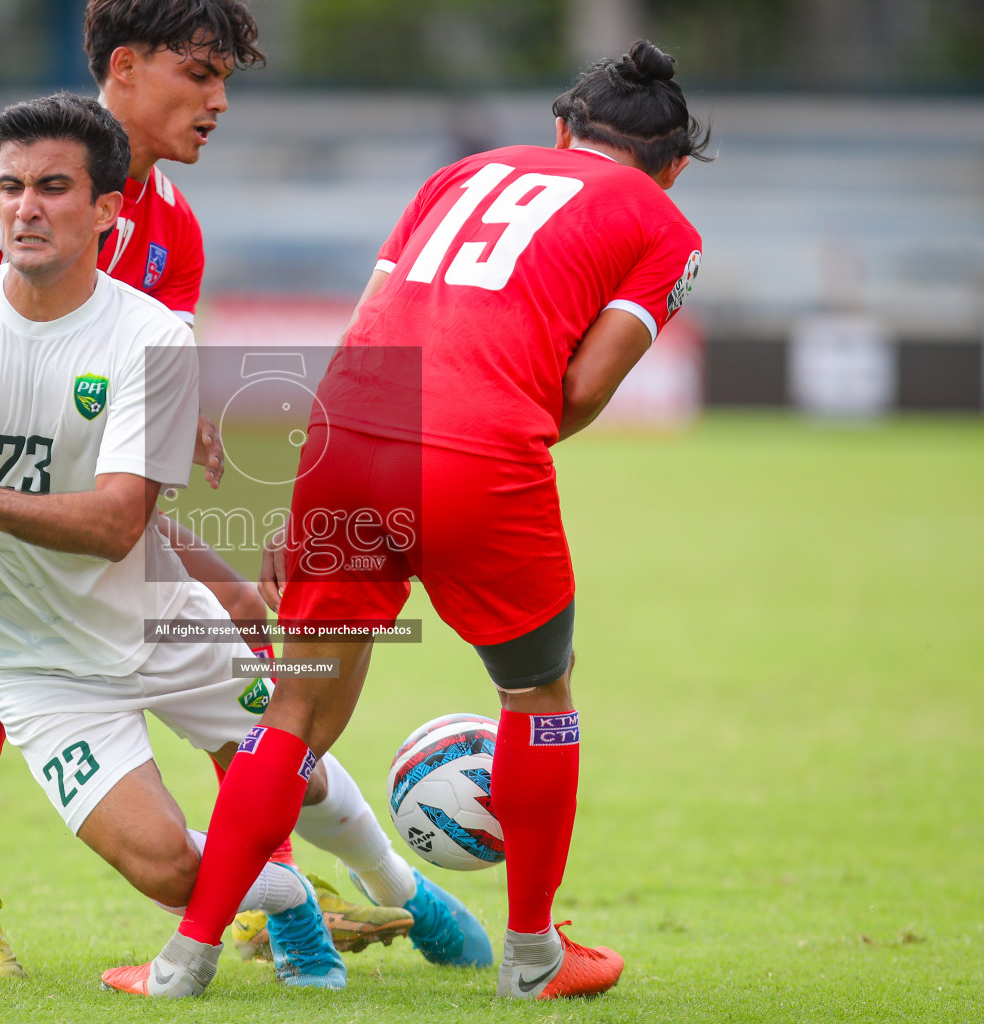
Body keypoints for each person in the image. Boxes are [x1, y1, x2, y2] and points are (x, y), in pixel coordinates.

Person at [0, 0, 426, 975]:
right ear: (126, 67)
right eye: (201, 75)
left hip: (69, 497)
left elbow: (143, 380)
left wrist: (175, 416)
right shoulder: (50, 163)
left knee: (234, 610)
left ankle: (263, 875)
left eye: (228, 81)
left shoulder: (176, 238)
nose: (220, 101)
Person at [104, 40, 710, 1000]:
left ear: (561, 129)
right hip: (479, 453)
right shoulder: (665, 223)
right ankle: (535, 958)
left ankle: (183, 963)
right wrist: (484, 437)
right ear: (675, 166)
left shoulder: (457, 175)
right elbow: (586, 389)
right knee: (540, 698)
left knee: (297, 712)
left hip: (343, 436)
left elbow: (368, 326)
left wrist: (312, 495)